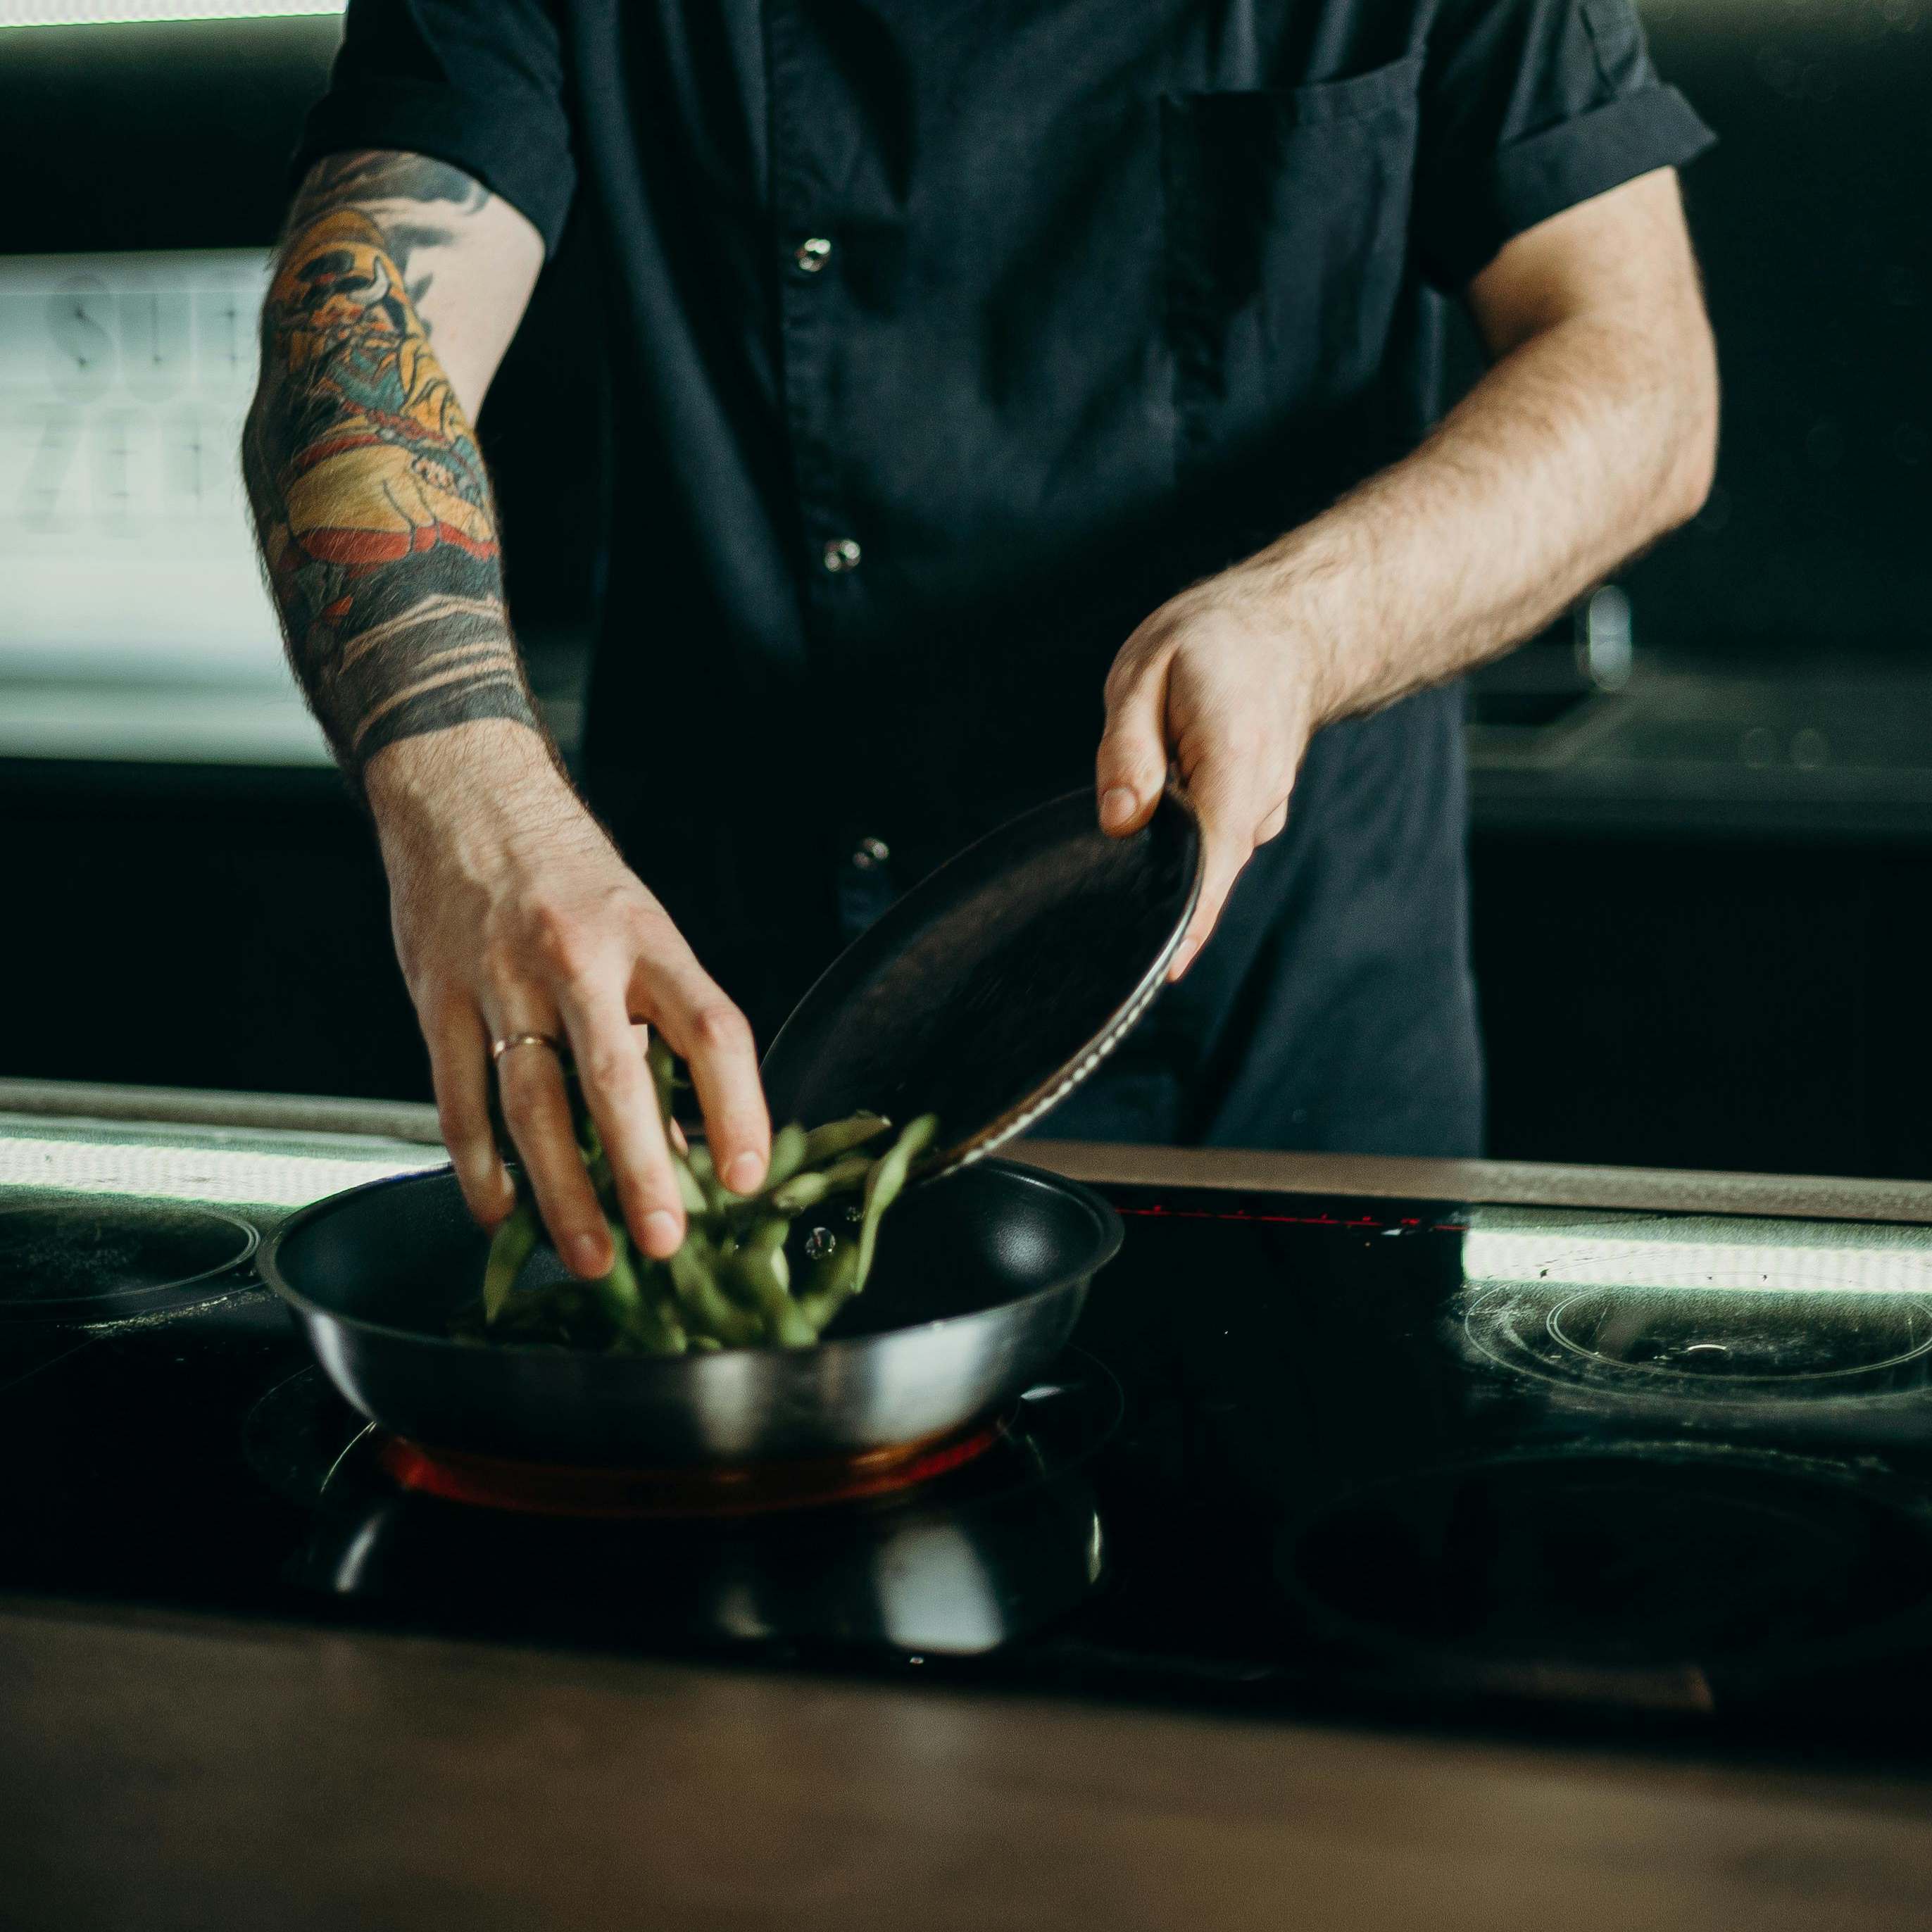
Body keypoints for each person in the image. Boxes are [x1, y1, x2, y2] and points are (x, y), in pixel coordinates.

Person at [243, 0, 1717, 1281]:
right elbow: (356, 320)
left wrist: (1304, 620)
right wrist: (469, 800)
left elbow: (1641, 377)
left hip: (1289, 1080)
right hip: (739, 1057)